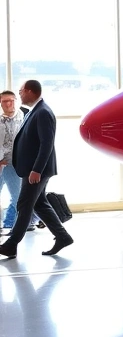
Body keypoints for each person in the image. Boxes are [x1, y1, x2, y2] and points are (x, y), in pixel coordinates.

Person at [0, 80, 74, 258]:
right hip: (32, 168)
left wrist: (37, 170)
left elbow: (47, 144)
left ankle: (11, 245)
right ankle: (63, 237)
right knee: (39, 204)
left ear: (30, 91)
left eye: (21, 91)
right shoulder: (35, 111)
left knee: (24, 204)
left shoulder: (42, 112)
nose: (20, 95)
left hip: (36, 170)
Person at [0, 90, 24, 232]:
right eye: (4, 101)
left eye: (11, 100)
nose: (9, 104)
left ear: (15, 100)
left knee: (17, 196)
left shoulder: (23, 117)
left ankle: (10, 224)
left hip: (13, 164)